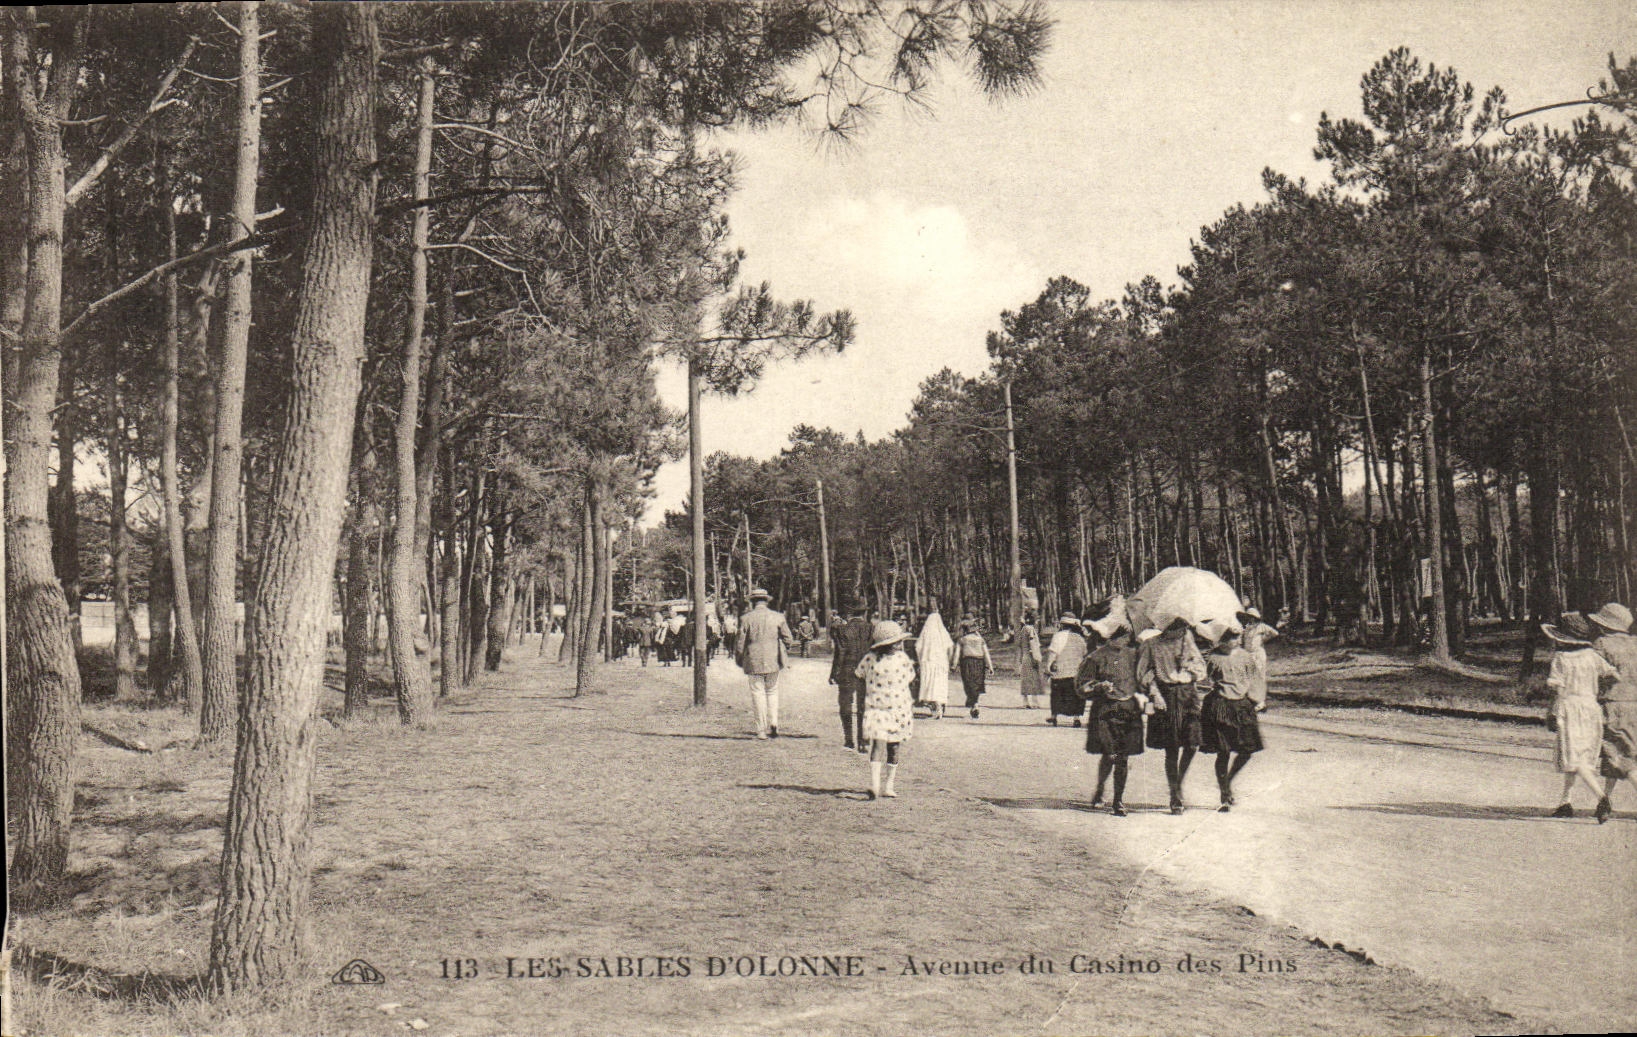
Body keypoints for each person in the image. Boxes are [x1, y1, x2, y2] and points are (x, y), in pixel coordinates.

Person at [1543, 612, 1614, 818]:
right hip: (1591, 708)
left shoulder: (1561, 659)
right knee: (1580, 754)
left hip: (1570, 708)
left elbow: (1556, 687)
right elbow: (1612, 674)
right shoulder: (1593, 657)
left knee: (1573, 756)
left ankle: (1602, 798)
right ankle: (1566, 801)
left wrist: (1553, 710)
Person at [1075, 620, 1147, 816]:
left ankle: (1118, 800)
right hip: (1105, 710)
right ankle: (1100, 789)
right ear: (1110, 637)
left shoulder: (1134, 656)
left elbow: (1143, 677)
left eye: (1126, 637)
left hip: (1128, 708)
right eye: (1120, 636)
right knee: (1110, 754)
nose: (1124, 640)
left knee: (1123, 757)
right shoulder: (1096, 658)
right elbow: (1082, 687)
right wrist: (1098, 686)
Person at [1139, 617, 1209, 814]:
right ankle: (1175, 794)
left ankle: (1178, 782)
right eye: (1177, 629)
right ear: (1167, 628)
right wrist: (1154, 693)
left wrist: (1190, 667)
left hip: (1188, 694)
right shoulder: (1151, 644)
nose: (1181, 632)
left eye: (1184, 628)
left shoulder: (1188, 641)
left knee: (1193, 743)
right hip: (1165, 694)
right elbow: (1143, 673)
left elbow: (1201, 669)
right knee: (1171, 748)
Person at [1198, 622, 1264, 812]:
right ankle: (1224, 793)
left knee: (1247, 749)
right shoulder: (1213, 657)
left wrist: (1258, 698)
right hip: (1220, 706)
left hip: (1241, 705)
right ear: (1221, 640)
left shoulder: (1245, 657)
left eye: (1236, 637)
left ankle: (1227, 780)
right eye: (1229, 638)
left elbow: (1255, 679)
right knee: (1223, 751)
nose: (1234, 642)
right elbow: (1204, 678)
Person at [856, 620, 917, 800]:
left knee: (887, 746)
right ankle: (878, 785)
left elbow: (910, 680)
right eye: (896, 642)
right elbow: (859, 677)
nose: (899, 645)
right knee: (885, 745)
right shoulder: (879, 659)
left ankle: (885, 785)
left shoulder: (894, 659)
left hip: (889, 710)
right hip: (886, 710)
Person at [1588, 602, 1637, 822]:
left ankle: (1605, 802)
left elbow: (1595, 675)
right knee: (1622, 753)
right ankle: (1604, 801)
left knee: (1614, 754)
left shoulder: (1601, 644)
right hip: (1634, 704)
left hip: (1612, 704)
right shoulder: (1635, 644)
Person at [737, 588, 794, 739]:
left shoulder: (746, 618)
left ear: (752, 602)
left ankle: (761, 729)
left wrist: (739, 658)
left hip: (753, 660)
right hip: (773, 660)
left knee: (758, 694)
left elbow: (740, 643)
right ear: (766, 601)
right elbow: (788, 638)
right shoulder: (778, 617)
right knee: (773, 691)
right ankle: (774, 723)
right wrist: (784, 647)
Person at [829, 600, 875, 752]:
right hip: (866, 671)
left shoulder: (842, 630)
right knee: (864, 706)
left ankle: (849, 739)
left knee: (845, 705)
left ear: (850, 613)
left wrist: (834, 672)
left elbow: (839, 653)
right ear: (865, 613)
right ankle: (863, 741)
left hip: (847, 670)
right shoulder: (871, 629)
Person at [1043, 612, 1089, 727]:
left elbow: (1053, 652)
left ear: (1062, 624)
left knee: (1057, 694)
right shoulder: (1080, 638)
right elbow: (1085, 654)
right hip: (1076, 672)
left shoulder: (1058, 636)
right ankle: (1076, 718)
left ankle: (1054, 717)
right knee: (1075, 696)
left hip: (1060, 671)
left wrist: (1048, 666)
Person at [916, 600, 955, 719]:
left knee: (929, 685)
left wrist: (920, 661)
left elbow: (918, 647)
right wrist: (948, 659)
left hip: (927, 662)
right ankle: (939, 706)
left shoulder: (925, 632)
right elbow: (950, 646)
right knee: (939, 684)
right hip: (941, 663)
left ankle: (935, 707)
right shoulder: (942, 632)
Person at [1237, 606, 1280, 704]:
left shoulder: (1261, 626)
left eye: (1251, 616)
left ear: (1255, 617)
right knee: (1249, 676)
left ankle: (1261, 701)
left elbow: (1275, 633)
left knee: (1260, 676)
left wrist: (1263, 639)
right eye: (1248, 616)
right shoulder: (1247, 628)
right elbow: (1243, 640)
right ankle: (1252, 698)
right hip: (1248, 655)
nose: (1249, 619)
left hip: (1258, 654)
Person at [956, 618, 995, 719]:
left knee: (969, 683)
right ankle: (975, 703)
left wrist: (954, 664)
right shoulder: (980, 640)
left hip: (967, 663)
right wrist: (990, 666)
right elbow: (986, 653)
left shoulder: (962, 640)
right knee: (977, 683)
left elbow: (957, 653)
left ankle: (973, 703)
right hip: (979, 663)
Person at [1019, 610, 1045, 710]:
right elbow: (1032, 642)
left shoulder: (1023, 629)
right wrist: (1036, 657)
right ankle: (1034, 702)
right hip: (1031, 656)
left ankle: (1026, 701)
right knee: (1034, 679)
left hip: (1025, 656)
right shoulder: (1031, 629)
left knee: (1026, 679)